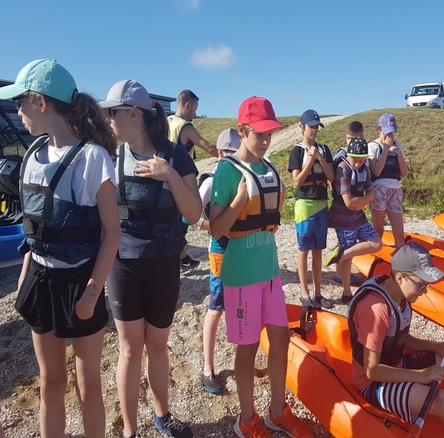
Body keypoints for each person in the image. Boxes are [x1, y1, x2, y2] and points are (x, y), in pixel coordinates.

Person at [1, 59, 121, 438]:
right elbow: (33, 232)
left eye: (21, 102)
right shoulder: (32, 156)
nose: (17, 110)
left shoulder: (92, 159)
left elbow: (112, 233)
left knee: (88, 388)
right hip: (40, 278)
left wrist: (91, 292)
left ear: (41, 102)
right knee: (50, 383)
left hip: (79, 281)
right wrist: (24, 277)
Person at [100, 80, 201, 438]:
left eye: (112, 112)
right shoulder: (109, 156)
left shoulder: (175, 155)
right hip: (123, 264)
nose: (108, 118)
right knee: (129, 350)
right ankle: (130, 431)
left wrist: (169, 175)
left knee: (157, 346)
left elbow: (193, 212)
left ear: (134, 114)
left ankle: (162, 416)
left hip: (163, 263)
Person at [210, 96, 313, 438]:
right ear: (242, 131)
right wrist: (239, 201)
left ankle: (277, 412)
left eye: (270, 134)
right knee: (248, 347)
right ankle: (246, 419)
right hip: (240, 279)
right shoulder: (227, 171)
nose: (267, 140)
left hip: (269, 275)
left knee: (281, 340)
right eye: (260, 134)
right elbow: (215, 229)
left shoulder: (269, 169)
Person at [348, 242, 444, 437]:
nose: (425, 291)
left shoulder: (399, 295)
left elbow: (400, 339)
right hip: (374, 385)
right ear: (401, 277)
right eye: (421, 285)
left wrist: (437, 346)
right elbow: (372, 370)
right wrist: (421, 375)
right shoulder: (376, 310)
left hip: (396, 364)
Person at [196, 128, 241, 394]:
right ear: (222, 154)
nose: (237, 160)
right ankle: (207, 369)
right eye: (232, 155)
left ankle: (240, 360)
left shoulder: (240, 178)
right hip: (220, 250)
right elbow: (188, 216)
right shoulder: (211, 181)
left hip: (240, 249)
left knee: (239, 303)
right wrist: (214, 227)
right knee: (216, 307)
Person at [325, 137, 382, 304]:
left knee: (376, 242)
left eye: (361, 160)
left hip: (358, 216)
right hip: (343, 219)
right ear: (348, 155)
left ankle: (341, 252)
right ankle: (347, 293)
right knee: (348, 258)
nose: (357, 164)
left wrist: (363, 200)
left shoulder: (364, 167)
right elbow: (349, 202)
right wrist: (365, 199)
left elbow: (370, 190)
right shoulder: (343, 169)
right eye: (355, 160)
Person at [288, 109, 334, 309]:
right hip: (304, 204)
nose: (314, 130)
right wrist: (310, 161)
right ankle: (305, 293)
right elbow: (297, 182)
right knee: (303, 250)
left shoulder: (324, 149)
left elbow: (331, 177)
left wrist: (320, 159)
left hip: (322, 203)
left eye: (316, 126)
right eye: (311, 126)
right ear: (302, 128)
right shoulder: (297, 151)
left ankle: (317, 293)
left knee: (318, 250)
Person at [167, 89, 216, 271]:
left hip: (164, 180)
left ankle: (183, 257)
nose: (195, 113)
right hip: (180, 180)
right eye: (194, 109)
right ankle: (178, 260)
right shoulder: (184, 126)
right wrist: (232, 156)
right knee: (182, 221)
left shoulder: (167, 122)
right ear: (187, 105)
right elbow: (207, 146)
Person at [367, 113, 408, 248]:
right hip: (379, 189)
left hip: (395, 190)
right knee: (378, 230)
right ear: (379, 129)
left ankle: (399, 265)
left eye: (392, 132)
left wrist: (399, 154)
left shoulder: (398, 145)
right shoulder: (372, 146)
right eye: (386, 132)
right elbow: (377, 171)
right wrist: (385, 148)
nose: (389, 136)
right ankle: (374, 258)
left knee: (399, 235)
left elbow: (404, 173)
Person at [333, 121, 366, 285]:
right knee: (347, 244)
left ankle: (340, 273)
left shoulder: (362, 155)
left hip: (356, 206)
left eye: (356, 139)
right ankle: (340, 274)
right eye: (349, 139)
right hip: (343, 206)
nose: (352, 142)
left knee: (348, 244)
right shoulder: (341, 157)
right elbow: (335, 180)